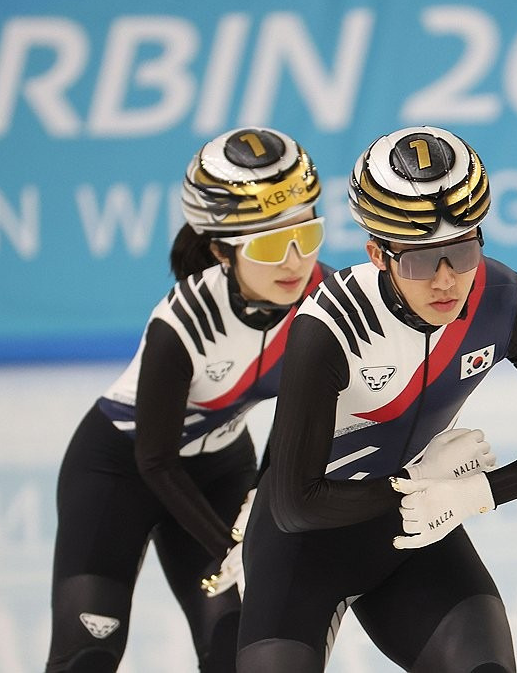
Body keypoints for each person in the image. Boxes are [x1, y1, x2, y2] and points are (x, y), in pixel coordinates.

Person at [236, 126, 517, 672]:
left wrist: (474, 494)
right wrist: (415, 485)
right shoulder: (330, 325)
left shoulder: (503, 301)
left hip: (421, 533)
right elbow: (295, 504)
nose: (445, 281)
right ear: (378, 254)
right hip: (302, 550)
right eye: (418, 261)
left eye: (462, 252)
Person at [45, 127, 333, 673]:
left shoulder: (327, 302)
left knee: (234, 657)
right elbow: (154, 459)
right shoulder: (183, 322)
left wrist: (265, 510)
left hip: (220, 470)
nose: (294, 261)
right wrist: (229, 546)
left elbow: (302, 419)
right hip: (117, 472)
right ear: (222, 249)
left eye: (306, 232)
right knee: (89, 654)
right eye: (270, 244)